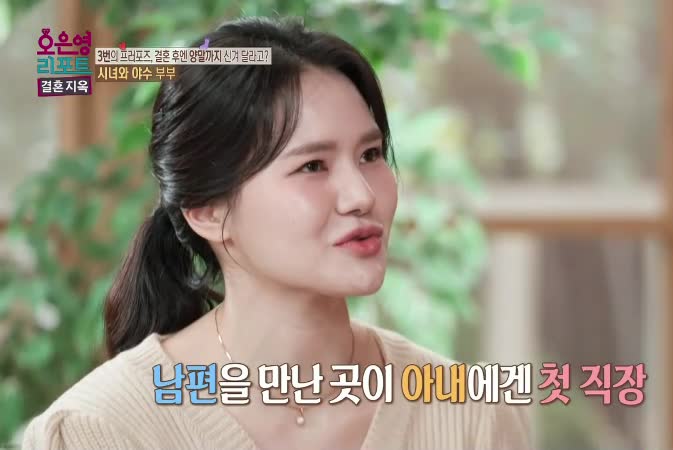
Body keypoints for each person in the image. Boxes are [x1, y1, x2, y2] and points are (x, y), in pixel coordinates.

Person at [21, 16, 532, 450]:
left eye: (371, 154)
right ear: (207, 211)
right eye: (313, 165)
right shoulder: (99, 430)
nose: (361, 195)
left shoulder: (471, 419)